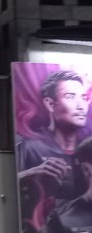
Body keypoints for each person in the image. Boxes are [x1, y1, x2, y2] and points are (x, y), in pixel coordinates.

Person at [17, 70, 89, 199]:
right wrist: (29, 175)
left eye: (83, 98)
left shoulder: (88, 147)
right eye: (70, 97)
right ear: (50, 104)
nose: (81, 106)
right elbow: (5, 184)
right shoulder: (29, 147)